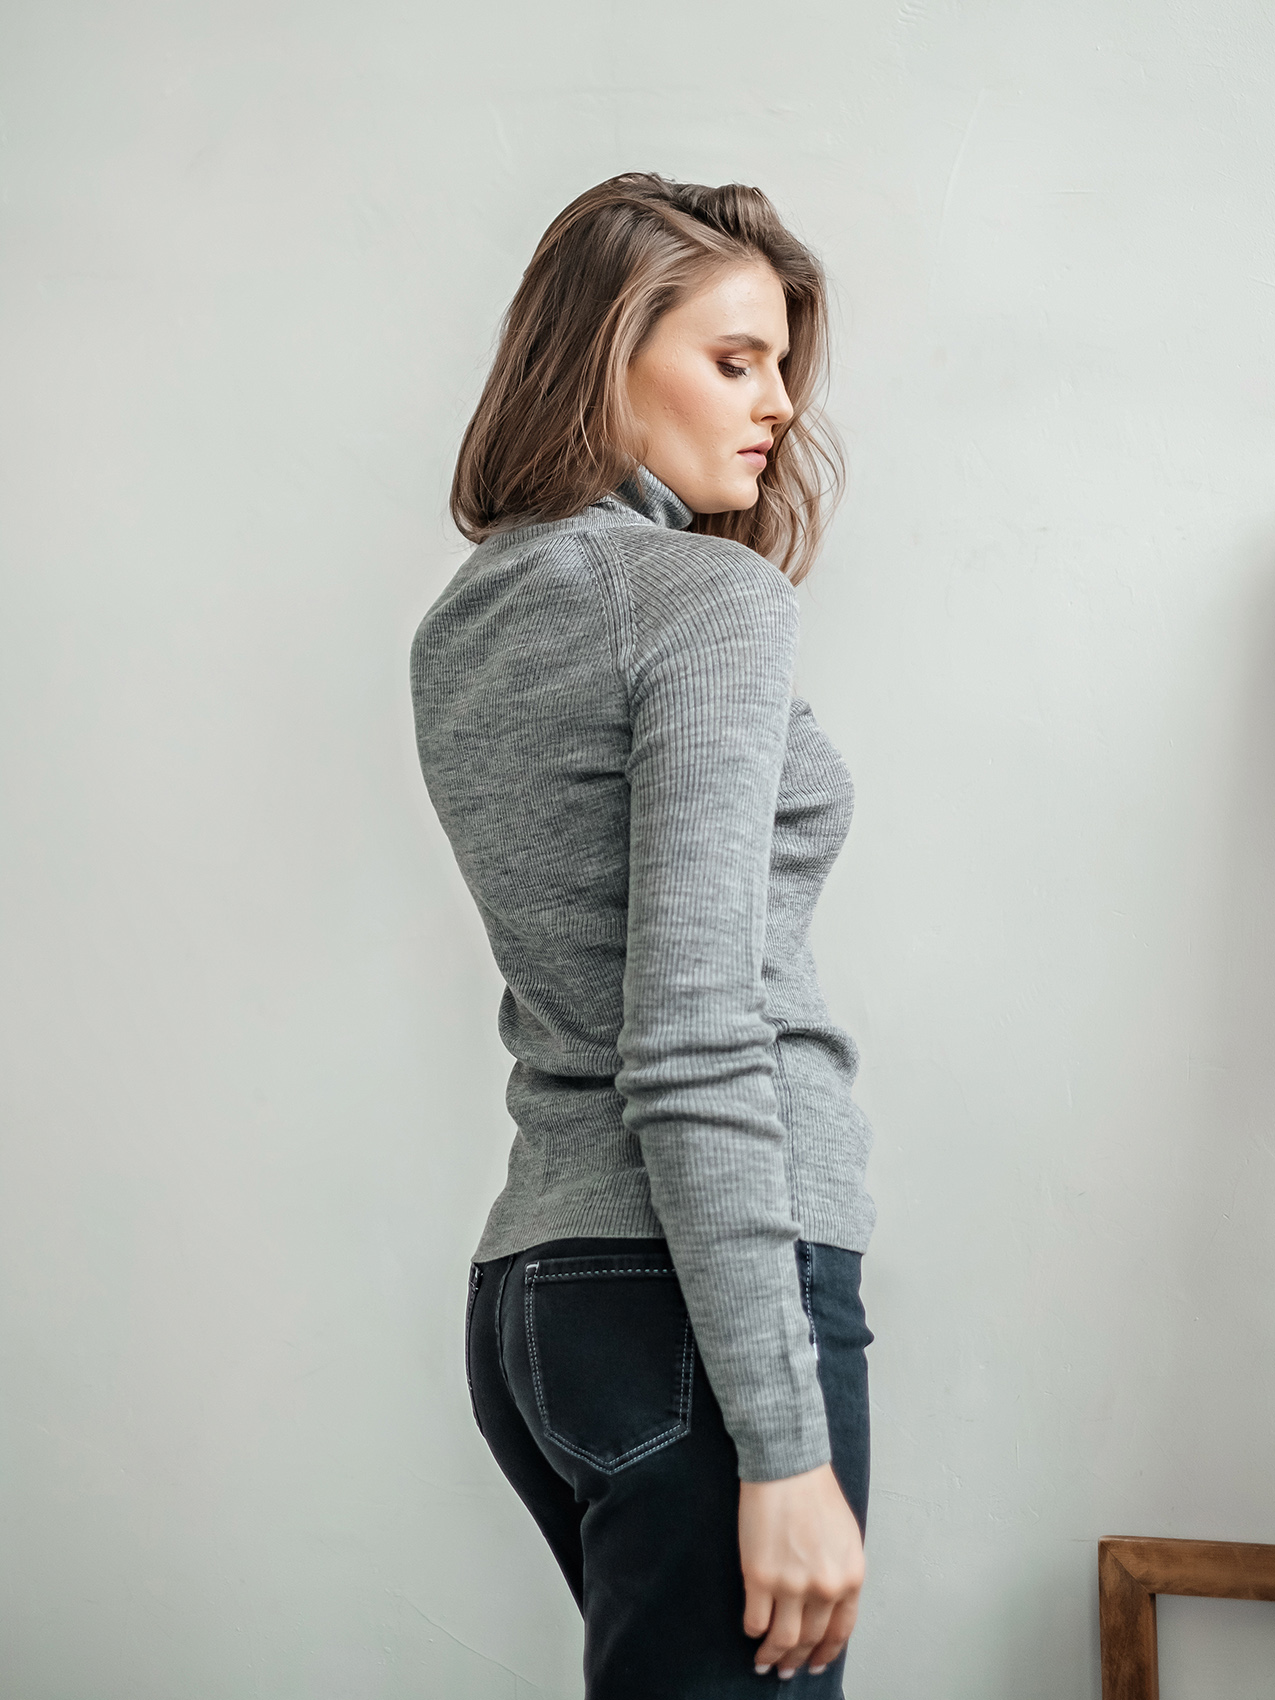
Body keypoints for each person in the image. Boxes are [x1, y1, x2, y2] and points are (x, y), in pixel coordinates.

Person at [410, 172, 876, 1699]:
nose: (780, 403)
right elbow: (687, 1030)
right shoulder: (698, 598)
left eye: (783, 364)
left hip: (539, 1296)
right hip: (695, 1295)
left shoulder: (471, 614)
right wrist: (783, 1443)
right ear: (605, 359)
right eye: (735, 360)